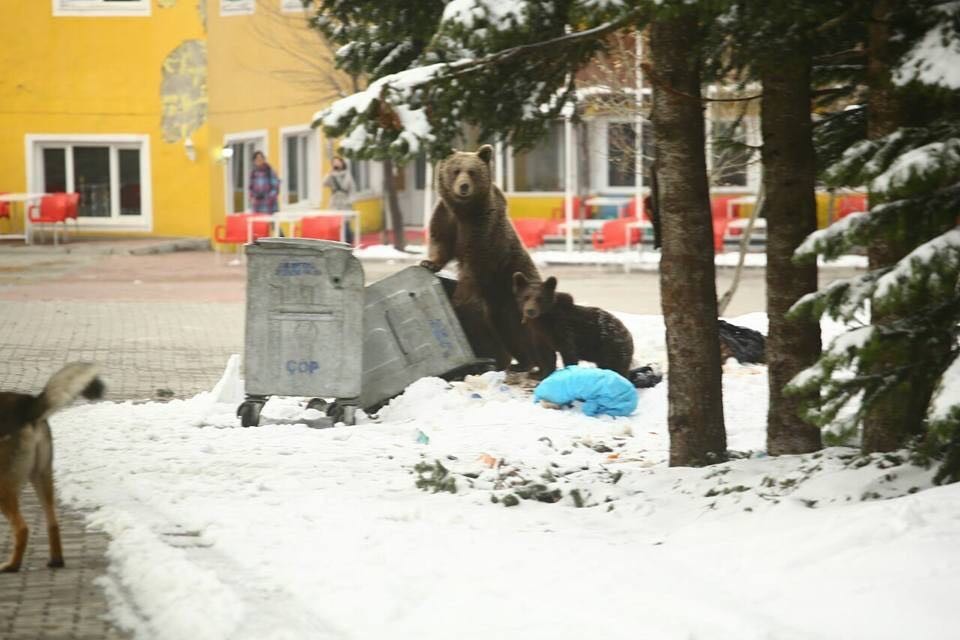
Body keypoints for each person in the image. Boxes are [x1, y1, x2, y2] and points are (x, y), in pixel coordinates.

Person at [323, 155, 356, 244]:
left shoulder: (347, 174)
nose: (336, 164)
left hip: (345, 202)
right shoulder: (331, 175)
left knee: (345, 224)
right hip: (334, 202)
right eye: (334, 162)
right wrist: (330, 173)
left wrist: (350, 201)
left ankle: (349, 242)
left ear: (342, 163)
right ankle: (338, 243)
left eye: (338, 162)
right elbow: (324, 183)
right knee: (335, 223)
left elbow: (352, 189)